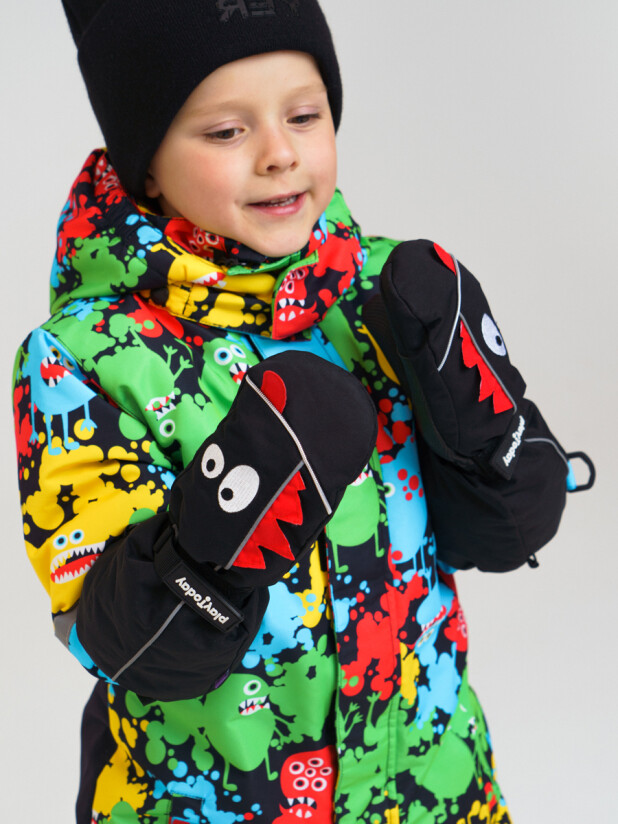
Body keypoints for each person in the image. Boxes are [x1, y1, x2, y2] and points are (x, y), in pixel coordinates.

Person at [12, 2, 591, 822]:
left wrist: (499, 453)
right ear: (147, 166)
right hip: (212, 804)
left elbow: (491, 536)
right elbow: (118, 639)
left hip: (434, 786)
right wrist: (213, 545)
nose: (280, 153)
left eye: (305, 115)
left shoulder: (389, 299)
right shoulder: (89, 360)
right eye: (227, 131)